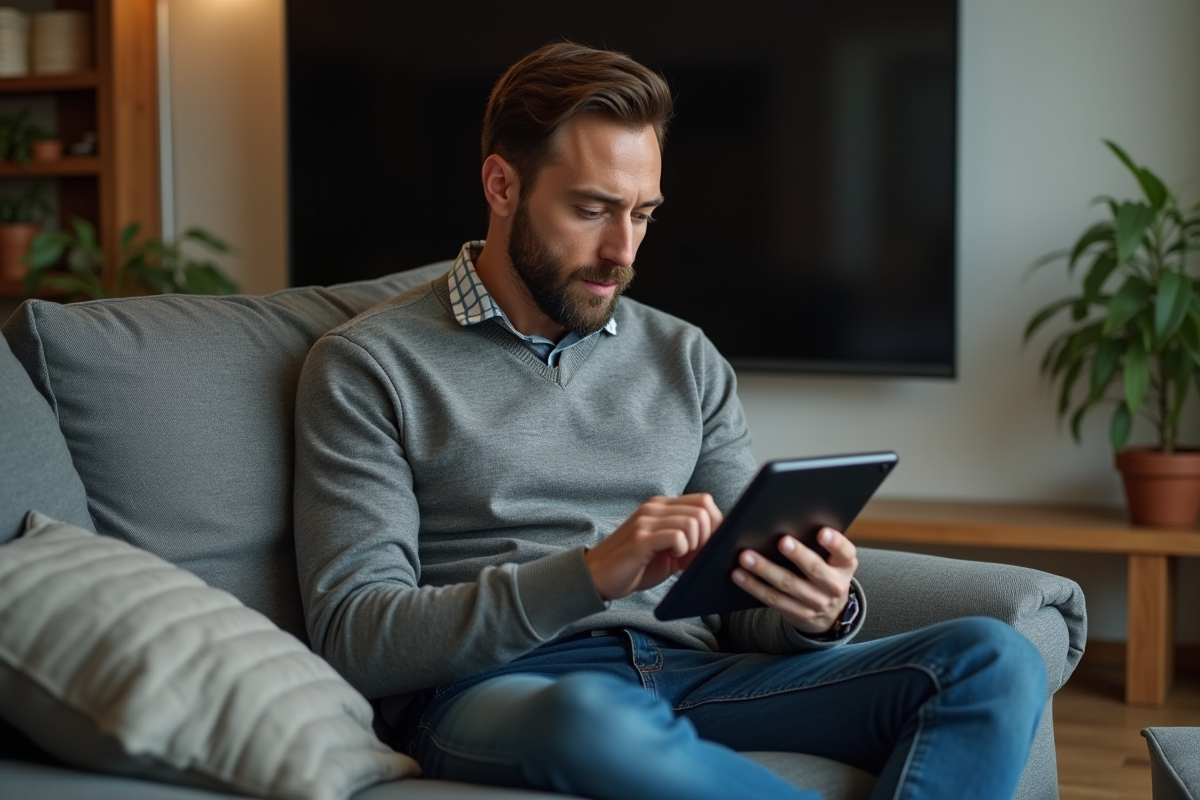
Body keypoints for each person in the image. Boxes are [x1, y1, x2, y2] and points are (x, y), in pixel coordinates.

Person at [293, 41, 1047, 800]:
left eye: (642, 214)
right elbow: (360, 636)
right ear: (501, 185)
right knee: (589, 716)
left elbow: (736, 601)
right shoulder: (369, 365)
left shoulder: (684, 358)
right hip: (500, 691)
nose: (622, 251)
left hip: (693, 675)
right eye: (591, 210)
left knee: (995, 657)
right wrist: (589, 576)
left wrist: (814, 610)